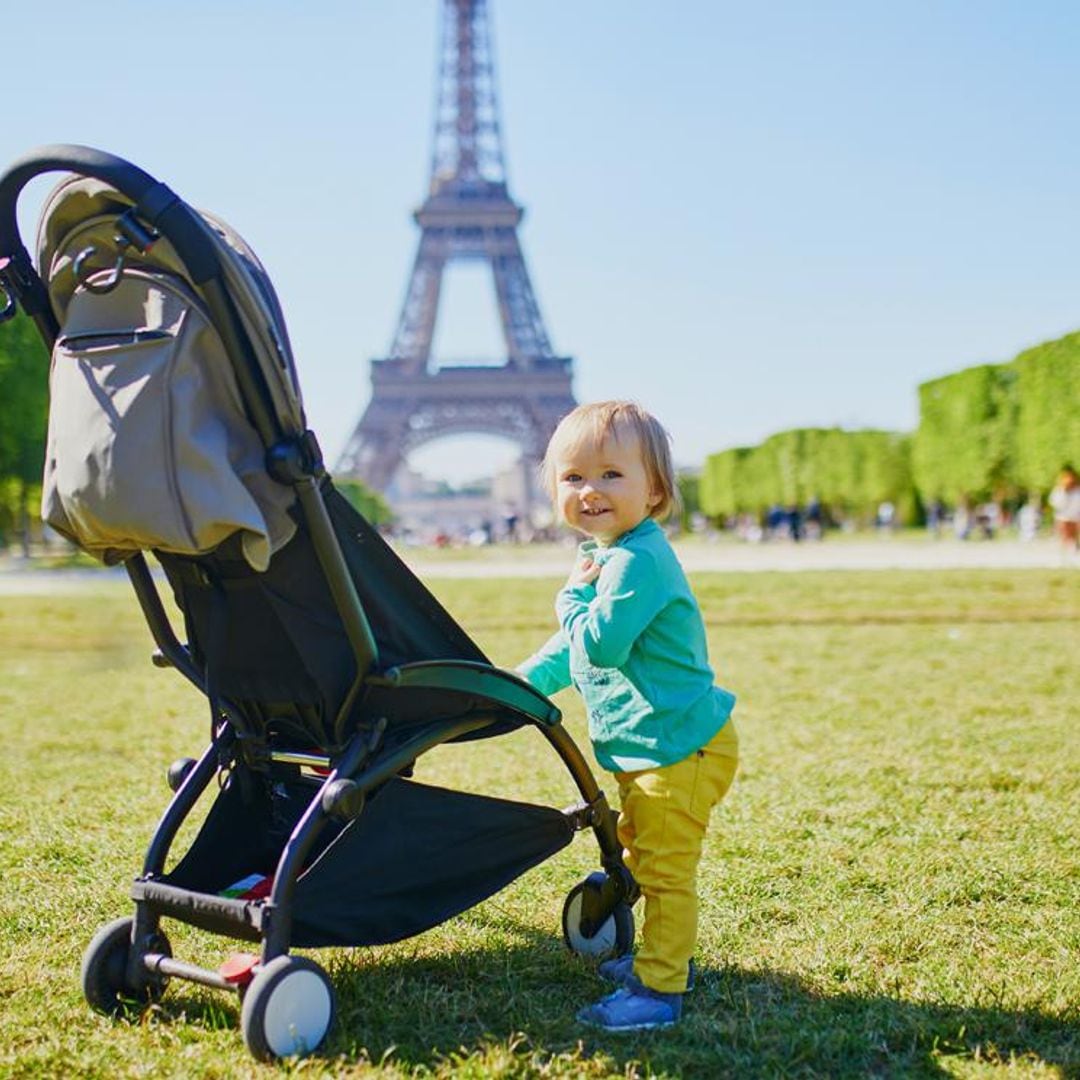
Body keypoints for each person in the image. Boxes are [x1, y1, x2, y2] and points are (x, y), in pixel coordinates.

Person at [516, 401, 738, 1032]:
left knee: (666, 873)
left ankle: (659, 988)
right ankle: (655, 954)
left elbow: (601, 641)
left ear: (656, 489)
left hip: (679, 748)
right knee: (641, 848)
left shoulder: (637, 561)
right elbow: (573, 650)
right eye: (573, 477)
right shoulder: (609, 555)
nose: (590, 490)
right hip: (650, 747)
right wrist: (521, 684)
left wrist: (569, 597)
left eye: (611, 475)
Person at [1048, 464, 1080, 558]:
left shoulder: (1078, 491)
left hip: (1076, 517)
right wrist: (1064, 491)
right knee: (1064, 537)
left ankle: (1075, 552)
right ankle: (1063, 556)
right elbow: (1055, 503)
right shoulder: (1059, 490)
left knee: (1075, 536)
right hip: (1063, 517)